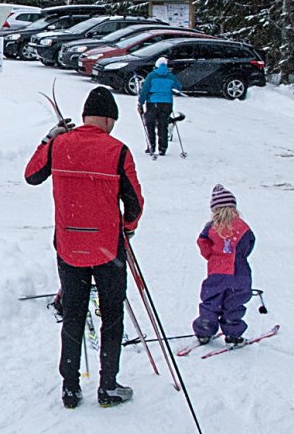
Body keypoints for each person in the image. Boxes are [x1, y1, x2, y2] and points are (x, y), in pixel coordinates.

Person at [24, 86, 144, 409]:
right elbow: (134, 203)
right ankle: (108, 385)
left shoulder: (60, 145)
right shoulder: (118, 151)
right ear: (107, 119)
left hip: (69, 246)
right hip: (107, 248)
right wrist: (128, 230)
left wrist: (50, 138)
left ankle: (70, 387)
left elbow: (31, 175)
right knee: (112, 315)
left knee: (74, 314)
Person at [192, 185, 255, 345]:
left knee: (211, 301)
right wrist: (239, 257)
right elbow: (249, 243)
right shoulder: (243, 227)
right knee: (234, 303)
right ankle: (233, 334)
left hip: (217, 272)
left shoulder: (211, 227)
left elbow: (202, 243)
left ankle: (204, 330)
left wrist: (212, 257)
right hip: (239, 273)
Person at [137, 57, 180, 157]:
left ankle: (151, 146)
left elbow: (145, 90)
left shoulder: (151, 76)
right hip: (167, 103)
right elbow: (179, 87)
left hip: (153, 102)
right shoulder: (170, 76)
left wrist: (140, 102)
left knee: (150, 125)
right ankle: (162, 149)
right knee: (163, 125)